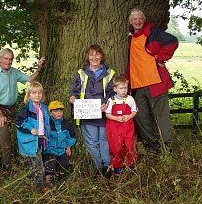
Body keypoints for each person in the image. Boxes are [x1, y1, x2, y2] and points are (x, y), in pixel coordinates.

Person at [125, 8, 179, 153]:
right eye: (134, 19)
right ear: (131, 21)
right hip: (137, 84)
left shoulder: (153, 32)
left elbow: (172, 41)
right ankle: (153, 146)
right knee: (139, 115)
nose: (137, 21)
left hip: (155, 82)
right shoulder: (130, 36)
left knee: (162, 116)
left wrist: (161, 58)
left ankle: (167, 147)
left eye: (140, 18)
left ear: (144, 20)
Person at [0, 48, 45, 173]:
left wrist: (39, 68)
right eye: (6, 58)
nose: (8, 61)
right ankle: (8, 166)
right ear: (0, 58)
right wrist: (0, 115)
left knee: (0, 137)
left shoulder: (13, 72)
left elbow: (29, 79)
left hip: (10, 109)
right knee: (5, 131)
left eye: (11, 59)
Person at [70, 44, 115, 178]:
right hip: (86, 113)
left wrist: (106, 102)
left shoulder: (110, 73)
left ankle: (107, 167)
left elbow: (113, 92)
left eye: (97, 54)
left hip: (104, 113)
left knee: (104, 141)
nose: (94, 57)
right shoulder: (81, 73)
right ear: (87, 57)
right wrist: (73, 97)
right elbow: (75, 91)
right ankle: (98, 167)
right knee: (91, 143)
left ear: (102, 56)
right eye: (91, 55)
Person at [15, 81, 50, 189]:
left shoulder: (44, 108)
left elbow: (45, 124)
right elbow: (19, 122)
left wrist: (43, 135)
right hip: (30, 141)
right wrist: (30, 129)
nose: (37, 95)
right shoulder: (26, 108)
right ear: (29, 95)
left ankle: (31, 186)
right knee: (36, 165)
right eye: (34, 93)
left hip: (40, 139)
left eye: (39, 93)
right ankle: (39, 188)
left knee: (37, 163)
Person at [106, 76, 137, 174]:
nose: (124, 91)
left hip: (128, 128)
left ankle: (131, 164)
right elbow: (107, 114)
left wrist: (129, 116)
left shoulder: (130, 99)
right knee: (116, 147)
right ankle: (117, 166)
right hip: (114, 129)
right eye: (121, 88)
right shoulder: (111, 100)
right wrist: (116, 118)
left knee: (129, 146)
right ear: (115, 89)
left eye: (125, 88)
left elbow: (134, 111)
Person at [43, 100, 76, 185]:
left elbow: (71, 136)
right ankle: (47, 182)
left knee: (66, 164)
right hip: (50, 150)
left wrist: (68, 147)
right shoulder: (47, 124)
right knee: (50, 163)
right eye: (55, 111)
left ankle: (61, 182)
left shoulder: (66, 124)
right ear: (50, 113)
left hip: (61, 149)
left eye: (60, 111)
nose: (59, 113)